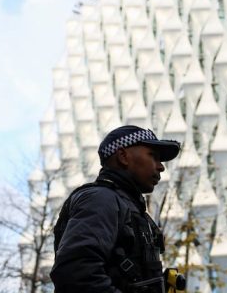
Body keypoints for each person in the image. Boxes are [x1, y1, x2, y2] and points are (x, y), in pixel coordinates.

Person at [50, 125, 181, 293]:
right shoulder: (101, 200)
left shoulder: (128, 206)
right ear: (123, 156)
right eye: (153, 156)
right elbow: (75, 275)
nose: (161, 166)